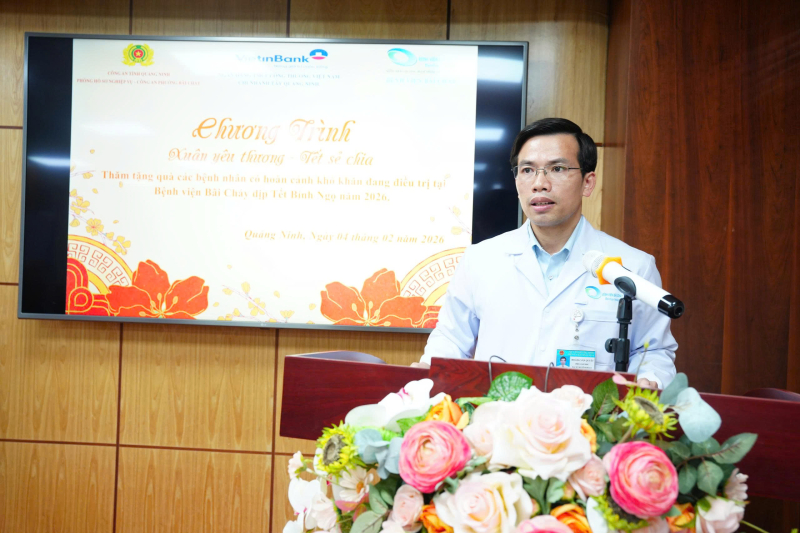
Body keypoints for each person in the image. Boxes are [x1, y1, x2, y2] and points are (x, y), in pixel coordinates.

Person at [415, 118, 677, 388]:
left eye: (557, 168)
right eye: (527, 170)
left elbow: (654, 351)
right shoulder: (481, 259)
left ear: (588, 183)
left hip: (589, 414)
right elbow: (451, 339)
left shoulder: (634, 266)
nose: (539, 183)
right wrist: (427, 372)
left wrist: (649, 380)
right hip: (495, 412)